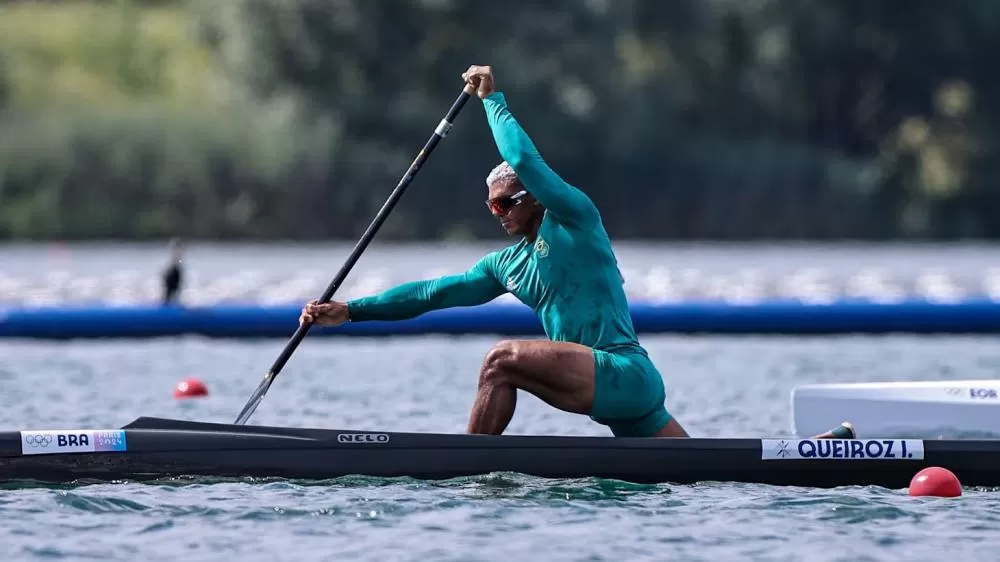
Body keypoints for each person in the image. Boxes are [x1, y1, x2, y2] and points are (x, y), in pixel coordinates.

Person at [300, 65, 855, 441]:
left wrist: (493, 99)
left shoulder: (574, 217)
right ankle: (803, 453)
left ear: (531, 197)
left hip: (624, 372)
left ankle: (466, 468)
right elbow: (432, 293)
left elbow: (525, 157)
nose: (497, 214)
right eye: (489, 207)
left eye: (505, 203)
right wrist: (351, 311)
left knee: (500, 361)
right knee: (704, 472)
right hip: (616, 391)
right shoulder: (506, 265)